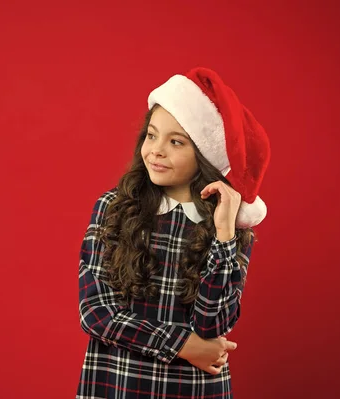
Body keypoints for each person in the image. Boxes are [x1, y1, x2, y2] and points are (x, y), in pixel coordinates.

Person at [76, 67, 271, 398]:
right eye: (151, 136)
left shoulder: (227, 226)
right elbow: (97, 313)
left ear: (204, 155)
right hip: (117, 384)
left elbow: (213, 325)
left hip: (192, 389)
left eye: (175, 142)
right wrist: (185, 345)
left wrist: (224, 235)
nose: (156, 150)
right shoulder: (114, 207)